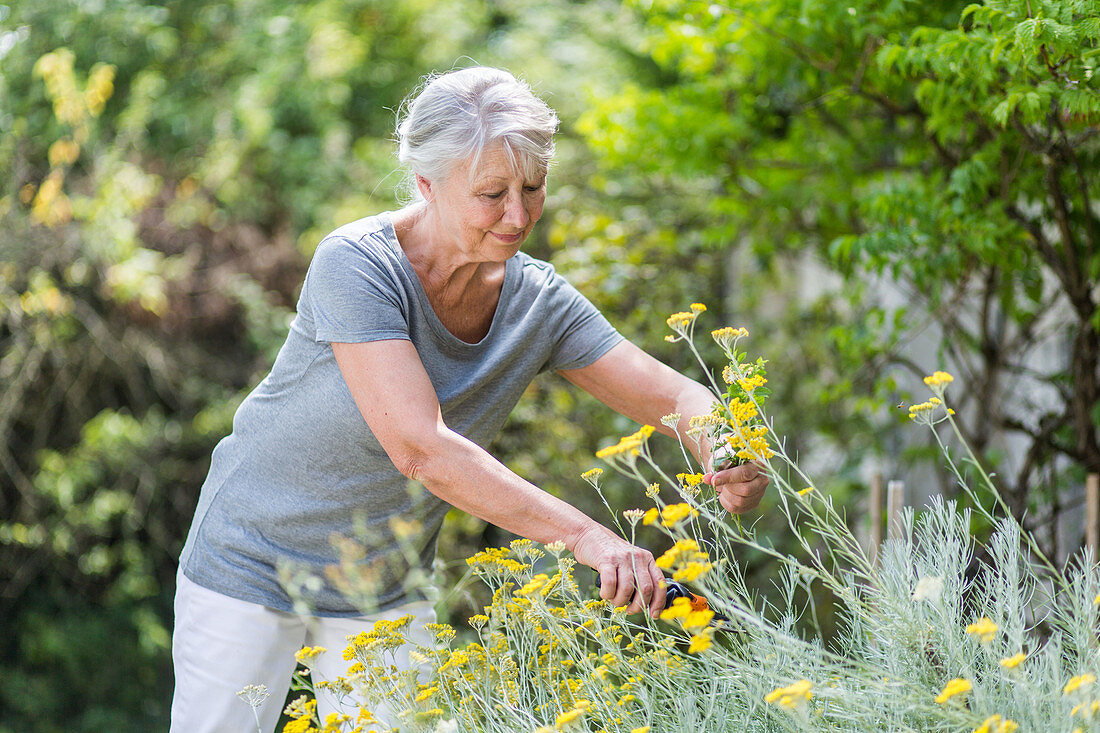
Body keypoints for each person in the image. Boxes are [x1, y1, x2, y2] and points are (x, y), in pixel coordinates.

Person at [170, 65, 768, 732]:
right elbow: (419, 447)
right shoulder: (356, 265)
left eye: (532, 188)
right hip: (251, 559)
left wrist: (727, 444)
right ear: (427, 185)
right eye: (492, 194)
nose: (518, 216)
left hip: (382, 587)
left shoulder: (537, 303)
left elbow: (680, 395)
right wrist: (585, 536)